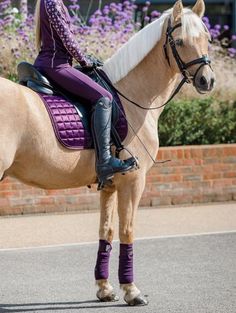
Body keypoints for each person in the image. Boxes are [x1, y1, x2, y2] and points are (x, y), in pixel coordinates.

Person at [34, 0, 135, 188]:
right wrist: (84, 60)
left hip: (51, 63)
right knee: (104, 98)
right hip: (57, 65)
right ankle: (105, 161)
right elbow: (67, 38)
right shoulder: (53, 3)